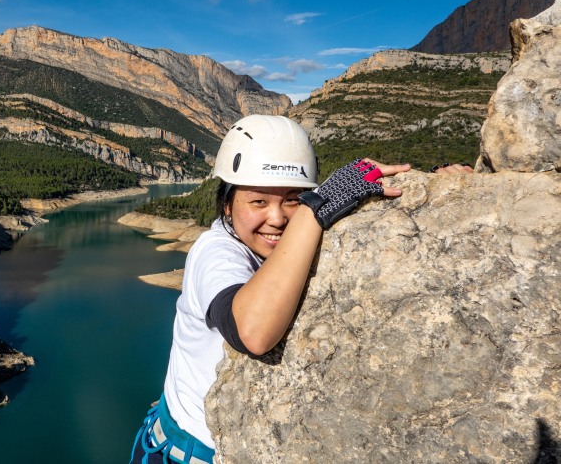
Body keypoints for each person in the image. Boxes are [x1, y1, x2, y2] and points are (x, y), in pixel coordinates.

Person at [129, 114, 467, 464]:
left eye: (293, 199)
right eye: (258, 202)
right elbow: (253, 333)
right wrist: (312, 210)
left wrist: (435, 186)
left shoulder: (294, 234)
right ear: (227, 205)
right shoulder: (215, 249)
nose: (277, 218)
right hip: (184, 455)